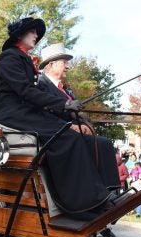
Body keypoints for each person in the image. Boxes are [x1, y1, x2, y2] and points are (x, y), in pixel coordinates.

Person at [0, 17, 119, 214]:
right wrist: (64, 103)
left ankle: (104, 191)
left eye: (36, 32)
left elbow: (31, 94)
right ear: (20, 35)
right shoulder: (10, 57)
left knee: (82, 137)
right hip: (14, 114)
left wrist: (67, 107)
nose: (36, 36)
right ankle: (78, 202)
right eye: (32, 32)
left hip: (28, 112)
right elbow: (25, 91)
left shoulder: (22, 57)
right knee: (66, 137)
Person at [38, 43, 120, 187]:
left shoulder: (66, 90)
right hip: (58, 135)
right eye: (65, 62)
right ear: (51, 65)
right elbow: (45, 112)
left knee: (103, 142)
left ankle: (107, 190)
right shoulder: (41, 85)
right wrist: (70, 127)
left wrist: (84, 121)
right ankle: (104, 190)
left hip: (75, 134)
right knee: (104, 144)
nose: (68, 66)